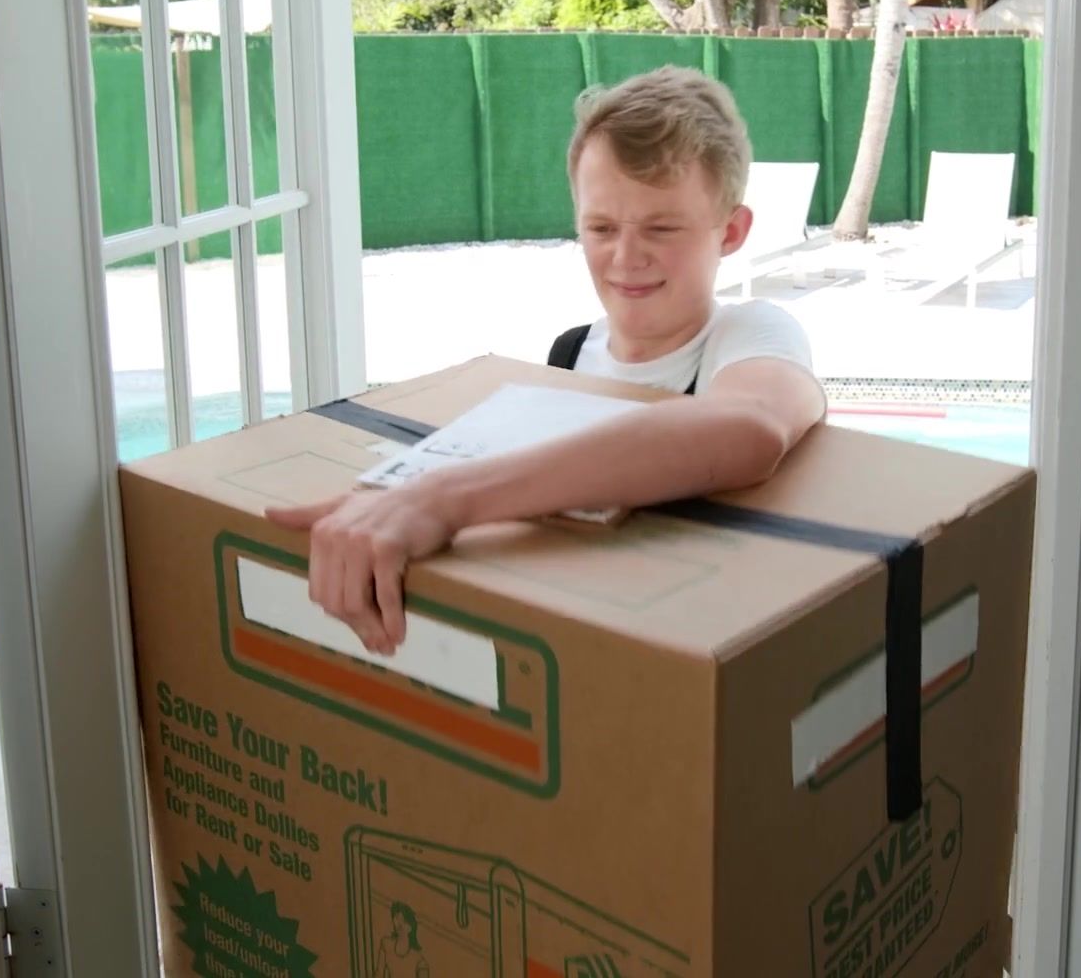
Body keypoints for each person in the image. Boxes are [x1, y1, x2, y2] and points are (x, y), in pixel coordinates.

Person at [267, 66, 825, 654]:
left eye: (662, 227)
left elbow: (751, 426)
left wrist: (439, 498)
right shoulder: (570, 353)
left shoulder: (750, 334)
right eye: (601, 227)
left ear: (731, 231)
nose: (626, 257)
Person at [377, 901, 430, 978]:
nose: (398, 923)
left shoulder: (420, 961)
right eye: (396, 918)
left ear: (410, 927)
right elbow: (378, 974)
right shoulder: (386, 944)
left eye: (402, 920)